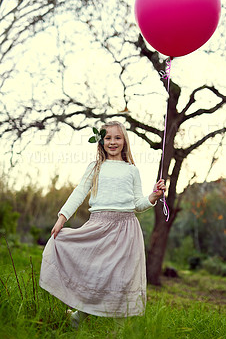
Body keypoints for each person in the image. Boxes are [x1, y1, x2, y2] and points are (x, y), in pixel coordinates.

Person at [39, 121, 166, 327]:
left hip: (126, 228)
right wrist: (62, 217)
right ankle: (78, 317)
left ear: (124, 141)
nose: (113, 142)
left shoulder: (132, 170)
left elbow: (137, 204)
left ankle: (120, 328)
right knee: (96, 273)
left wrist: (153, 196)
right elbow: (79, 192)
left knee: (120, 278)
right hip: (98, 226)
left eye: (117, 138)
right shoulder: (95, 167)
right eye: (108, 138)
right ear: (101, 140)